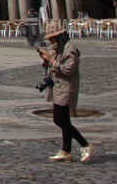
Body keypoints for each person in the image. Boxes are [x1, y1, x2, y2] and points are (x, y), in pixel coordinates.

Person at [38, 27, 94, 163]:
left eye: (51, 38)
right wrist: (45, 60)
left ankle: (86, 145)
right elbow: (50, 67)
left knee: (59, 120)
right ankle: (66, 151)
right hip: (57, 87)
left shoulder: (70, 50)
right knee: (65, 120)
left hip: (66, 88)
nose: (50, 40)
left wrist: (51, 61)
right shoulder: (55, 49)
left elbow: (68, 70)